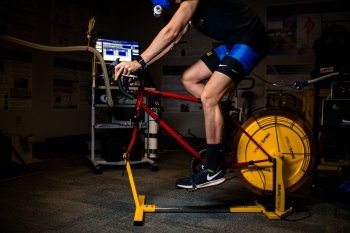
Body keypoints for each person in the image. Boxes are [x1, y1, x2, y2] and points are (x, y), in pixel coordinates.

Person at [115, 0, 270, 190]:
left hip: (250, 40)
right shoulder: (186, 8)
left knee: (209, 96)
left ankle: (213, 169)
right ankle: (218, 118)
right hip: (233, 43)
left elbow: (170, 31)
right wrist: (143, 65)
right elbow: (171, 42)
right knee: (189, 78)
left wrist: (138, 62)